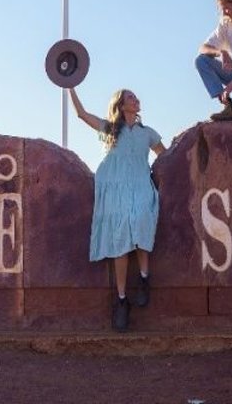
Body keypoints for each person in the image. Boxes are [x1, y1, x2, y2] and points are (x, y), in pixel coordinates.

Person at [67, 85, 166, 332]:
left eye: (135, 96)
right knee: (121, 239)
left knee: (143, 219)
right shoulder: (110, 129)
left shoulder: (148, 133)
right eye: (130, 97)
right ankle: (121, 301)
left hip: (140, 183)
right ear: (121, 106)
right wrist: (71, 85)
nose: (136, 99)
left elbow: (164, 156)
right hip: (114, 186)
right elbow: (81, 114)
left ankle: (145, 278)